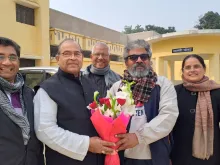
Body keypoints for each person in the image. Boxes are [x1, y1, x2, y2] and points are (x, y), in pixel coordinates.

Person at [34, 39, 115, 165]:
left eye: (77, 54)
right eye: (66, 54)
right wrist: (86, 144)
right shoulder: (48, 89)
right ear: (57, 58)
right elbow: (45, 130)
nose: (72, 58)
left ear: (82, 58)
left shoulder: (90, 83)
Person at [109, 39, 179, 165]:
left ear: (149, 60)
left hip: (154, 156)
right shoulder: (117, 87)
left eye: (143, 56)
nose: (139, 60)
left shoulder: (162, 84)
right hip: (123, 156)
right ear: (126, 62)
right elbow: (108, 117)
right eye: (133, 57)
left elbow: (169, 115)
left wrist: (138, 136)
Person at [0, 37, 44, 165]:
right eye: (1, 57)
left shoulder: (29, 93)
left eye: (12, 57)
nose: (7, 62)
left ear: (18, 62)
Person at [171, 54, 220, 165]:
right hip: (180, 154)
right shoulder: (174, 92)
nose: (192, 70)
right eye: (188, 67)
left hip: (211, 155)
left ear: (204, 69)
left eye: (196, 66)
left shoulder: (217, 92)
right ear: (182, 71)